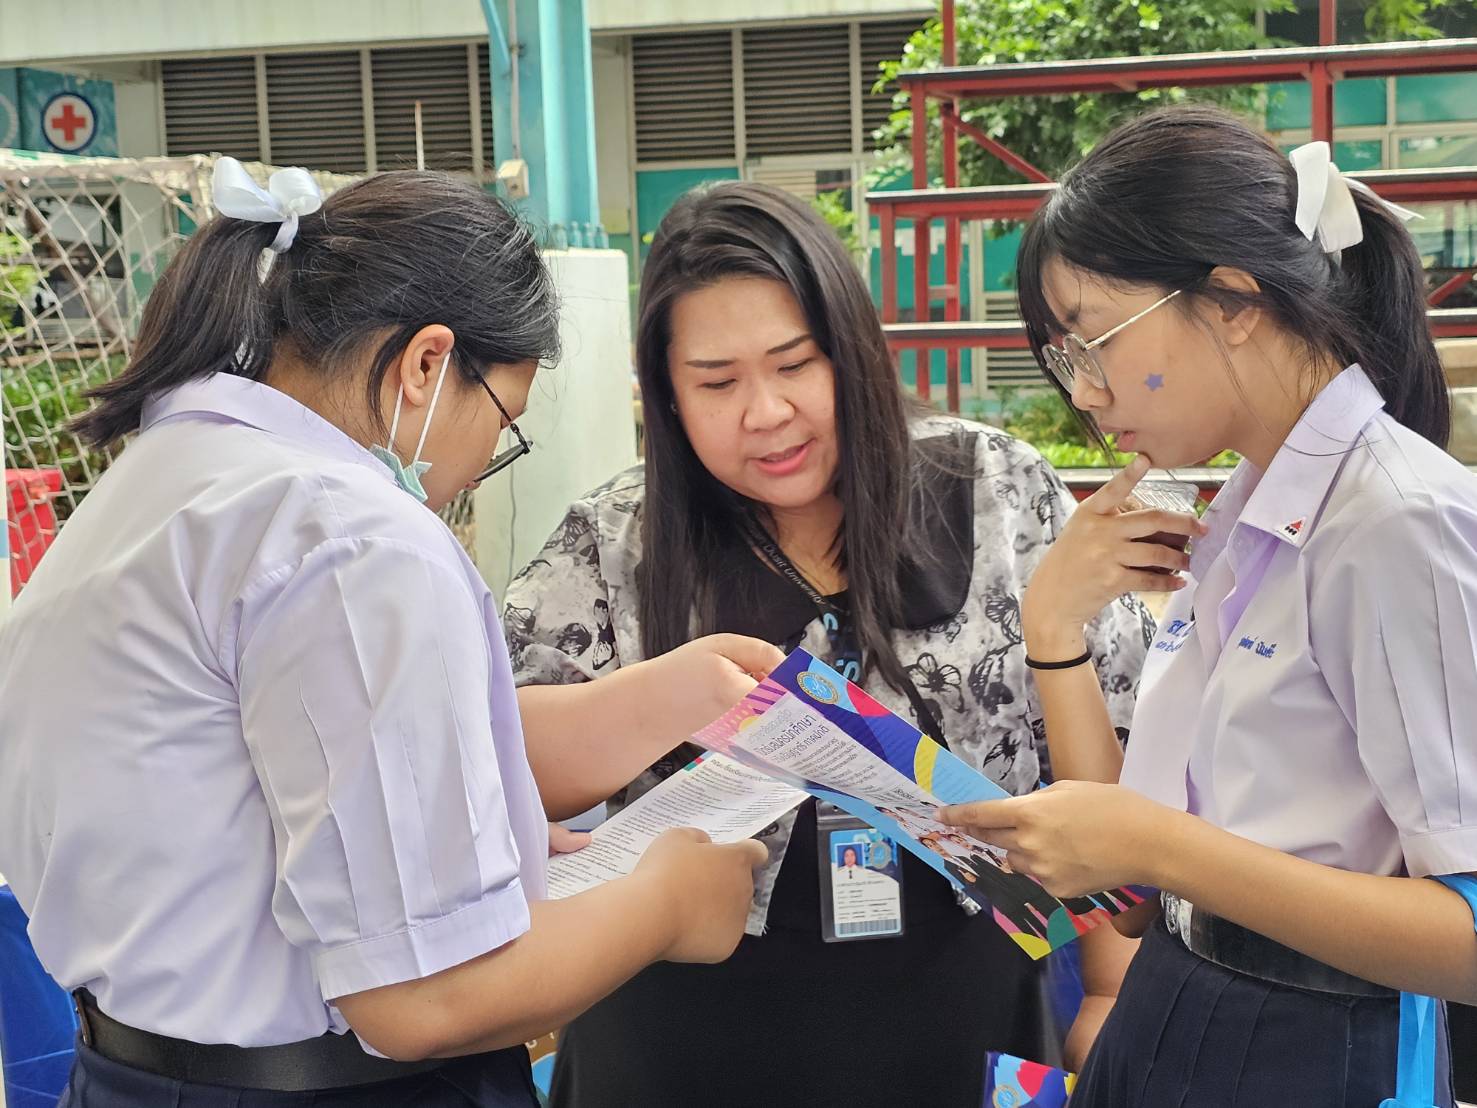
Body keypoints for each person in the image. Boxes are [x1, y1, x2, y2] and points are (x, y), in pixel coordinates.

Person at [0, 159, 777, 1107]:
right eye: (505, 419)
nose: (485, 459)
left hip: (134, 1069)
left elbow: (283, 777)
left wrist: (634, 718)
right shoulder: (352, 535)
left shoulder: (170, 478)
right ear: (426, 365)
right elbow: (424, 1001)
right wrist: (666, 901)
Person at [503, 181, 1150, 1107]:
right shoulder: (618, 537)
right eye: (717, 383)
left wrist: (1107, 987)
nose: (765, 413)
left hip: (960, 998)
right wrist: (653, 702)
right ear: (666, 397)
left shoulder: (1001, 491)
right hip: (684, 1016)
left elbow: (1113, 749)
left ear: (852, 350)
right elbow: (498, 760)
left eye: (795, 364)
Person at [939, 106, 1477, 1105]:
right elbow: (1128, 892)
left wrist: (1158, 848)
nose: (1085, 393)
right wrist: (1053, 628)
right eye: (1065, 357)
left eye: (1092, 340)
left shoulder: (1393, 522)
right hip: (1180, 1000)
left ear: (1231, 300)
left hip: (1316, 1044)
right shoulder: (1241, 512)